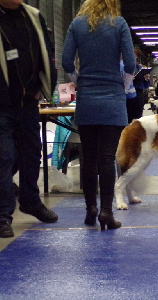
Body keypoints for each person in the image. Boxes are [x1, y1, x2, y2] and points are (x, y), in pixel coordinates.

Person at [62, 0, 136, 230]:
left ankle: (90, 209)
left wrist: (79, 81)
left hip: (87, 101)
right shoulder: (119, 23)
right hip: (112, 100)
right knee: (107, 158)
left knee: (89, 158)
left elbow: (66, 62)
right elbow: (131, 64)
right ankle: (106, 212)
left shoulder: (76, 24)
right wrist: (121, 87)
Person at [0, 0, 59, 238]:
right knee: (4, 157)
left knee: (33, 153)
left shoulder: (34, 16)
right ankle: (3, 215)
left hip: (29, 102)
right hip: (2, 105)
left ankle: (30, 201)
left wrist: (43, 86)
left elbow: (46, 50)